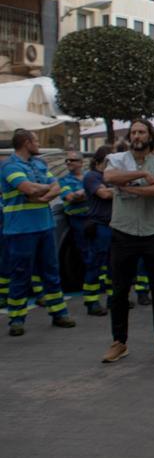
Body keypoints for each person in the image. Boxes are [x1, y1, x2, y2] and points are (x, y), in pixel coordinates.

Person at [102, 119, 154, 362]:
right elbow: (109, 176)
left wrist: (129, 188)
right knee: (120, 290)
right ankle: (119, 342)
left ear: (150, 136)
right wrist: (143, 174)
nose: (136, 136)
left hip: (153, 232)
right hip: (123, 232)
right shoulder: (117, 159)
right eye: (133, 132)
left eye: (141, 132)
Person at [2, 129, 75, 336]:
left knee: (51, 272)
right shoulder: (9, 166)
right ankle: (17, 320)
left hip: (45, 226)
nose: (38, 145)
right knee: (20, 274)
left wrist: (41, 194)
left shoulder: (39, 163)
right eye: (35, 141)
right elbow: (29, 189)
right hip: (21, 229)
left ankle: (59, 313)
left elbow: (56, 186)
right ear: (26, 143)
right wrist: (44, 189)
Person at [60, 150, 99, 313]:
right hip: (78, 222)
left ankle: (99, 286)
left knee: (100, 253)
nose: (69, 163)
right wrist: (89, 191)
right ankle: (91, 293)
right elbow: (70, 198)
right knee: (87, 255)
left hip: (94, 219)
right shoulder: (64, 180)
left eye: (73, 160)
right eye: (67, 160)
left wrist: (83, 193)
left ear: (81, 163)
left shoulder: (89, 176)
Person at [83, 147, 115, 316]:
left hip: (113, 225)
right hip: (99, 225)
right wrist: (123, 189)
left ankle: (113, 299)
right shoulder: (92, 176)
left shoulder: (111, 176)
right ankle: (91, 301)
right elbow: (104, 194)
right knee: (95, 264)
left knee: (113, 265)